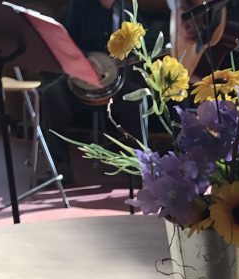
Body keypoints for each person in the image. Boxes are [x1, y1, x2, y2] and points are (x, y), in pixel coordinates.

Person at [41, 0, 155, 184]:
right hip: (79, 79)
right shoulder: (79, 6)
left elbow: (146, 41)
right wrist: (86, 59)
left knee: (138, 98)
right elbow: (64, 41)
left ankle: (137, 168)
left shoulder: (126, 8)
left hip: (116, 84)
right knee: (52, 94)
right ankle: (59, 168)